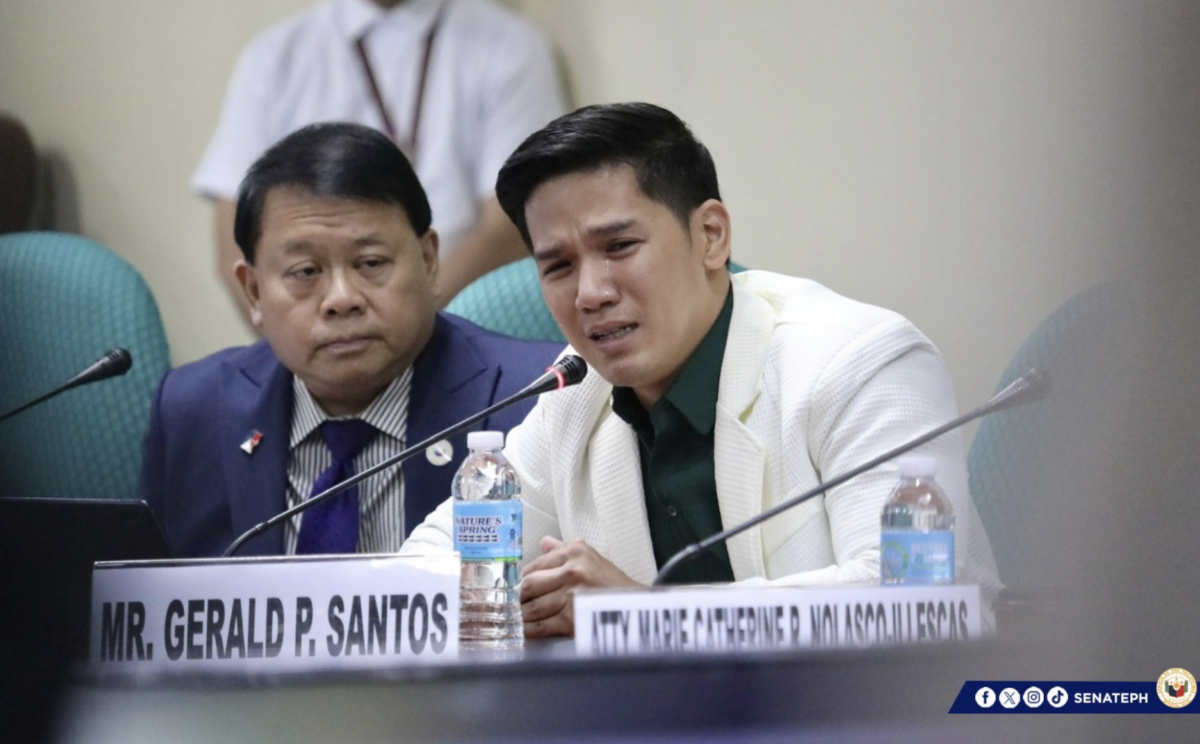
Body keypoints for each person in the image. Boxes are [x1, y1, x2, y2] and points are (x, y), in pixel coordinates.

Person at [402, 102, 1001, 637]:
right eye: (557, 266)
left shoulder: (859, 361)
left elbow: (912, 605)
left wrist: (640, 615)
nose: (590, 293)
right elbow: (431, 561)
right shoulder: (575, 391)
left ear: (710, 236)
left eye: (618, 247)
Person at [141, 122, 561, 559]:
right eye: (306, 272)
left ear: (428, 260)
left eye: (371, 262)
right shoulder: (192, 412)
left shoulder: (536, 400)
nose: (342, 300)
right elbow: (144, 604)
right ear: (254, 291)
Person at [192, 0, 564, 318]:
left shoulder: (511, 46)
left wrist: (402, 325)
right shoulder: (275, 56)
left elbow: (509, 228)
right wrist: (308, 341)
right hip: (316, 338)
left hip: (459, 323)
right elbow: (234, 240)